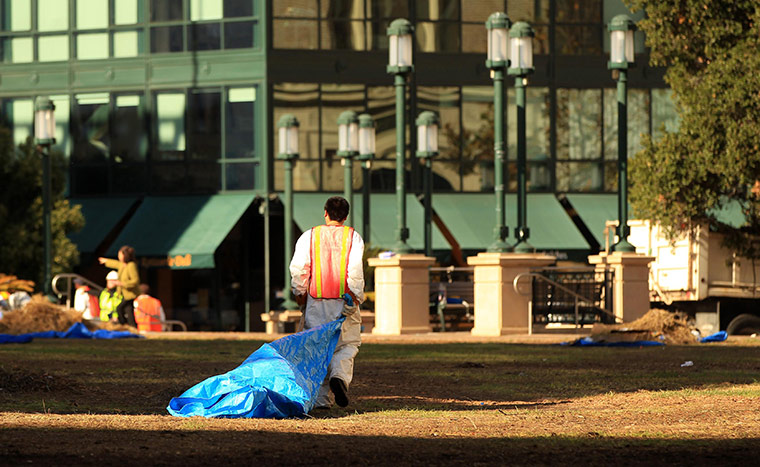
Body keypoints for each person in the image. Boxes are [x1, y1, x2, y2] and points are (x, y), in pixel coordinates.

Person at [289, 196, 364, 409]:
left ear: (325, 212)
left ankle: (321, 400)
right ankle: (339, 377)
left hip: (315, 302)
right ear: (346, 216)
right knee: (348, 344)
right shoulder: (353, 237)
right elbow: (355, 271)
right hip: (344, 301)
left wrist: (299, 293)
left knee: (317, 349)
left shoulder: (309, 236)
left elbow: (299, 268)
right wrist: (356, 297)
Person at [99, 245, 140, 327]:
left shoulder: (131, 265)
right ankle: (131, 327)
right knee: (128, 311)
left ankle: (124, 325)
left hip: (130, 294)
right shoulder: (123, 265)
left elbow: (135, 281)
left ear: (125, 255)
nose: (119, 256)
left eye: (120, 254)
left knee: (119, 309)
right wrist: (106, 261)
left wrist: (121, 283)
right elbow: (115, 264)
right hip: (125, 294)